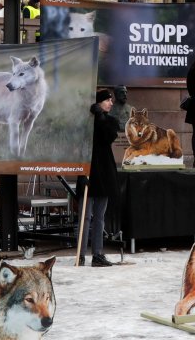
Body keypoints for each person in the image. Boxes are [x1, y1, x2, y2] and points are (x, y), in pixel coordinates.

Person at [82, 89, 119, 267]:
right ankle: (80, 254)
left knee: (99, 217)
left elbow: (107, 137)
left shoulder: (110, 121)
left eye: (111, 100)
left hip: (103, 172)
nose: (111, 103)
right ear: (98, 102)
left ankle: (97, 254)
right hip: (88, 170)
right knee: (85, 216)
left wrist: (100, 117)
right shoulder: (87, 122)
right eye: (107, 100)